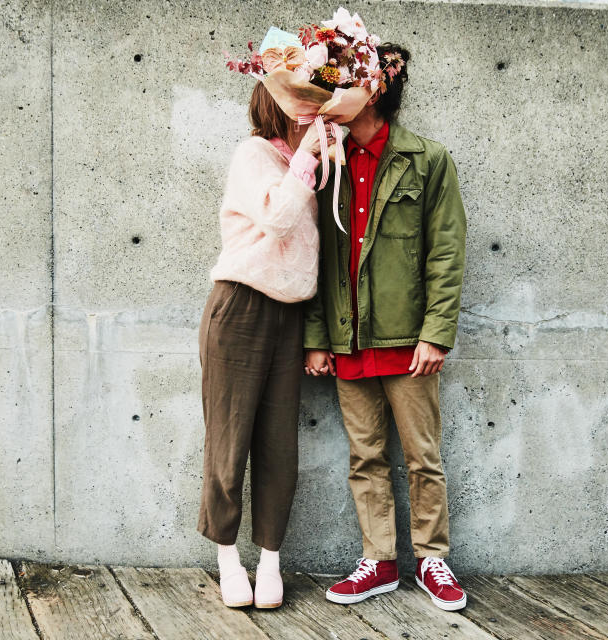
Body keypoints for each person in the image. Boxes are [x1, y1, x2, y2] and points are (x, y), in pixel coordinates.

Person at [303, 43, 469, 611]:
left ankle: (433, 560)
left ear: (373, 89)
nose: (327, 97)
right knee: (365, 457)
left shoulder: (428, 159)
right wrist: (317, 336)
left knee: (422, 456)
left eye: (339, 84)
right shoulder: (324, 160)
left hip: (408, 340)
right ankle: (380, 561)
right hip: (347, 339)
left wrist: (436, 332)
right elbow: (314, 254)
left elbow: (446, 253)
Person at [197, 81, 332, 609]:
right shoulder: (253, 154)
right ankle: (227, 559)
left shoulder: (314, 163)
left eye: (314, 99)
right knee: (229, 443)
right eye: (298, 99)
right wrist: (305, 157)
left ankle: (270, 562)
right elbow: (277, 218)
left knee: (279, 446)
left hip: (290, 315)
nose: (308, 108)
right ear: (272, 103)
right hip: (240, 307)